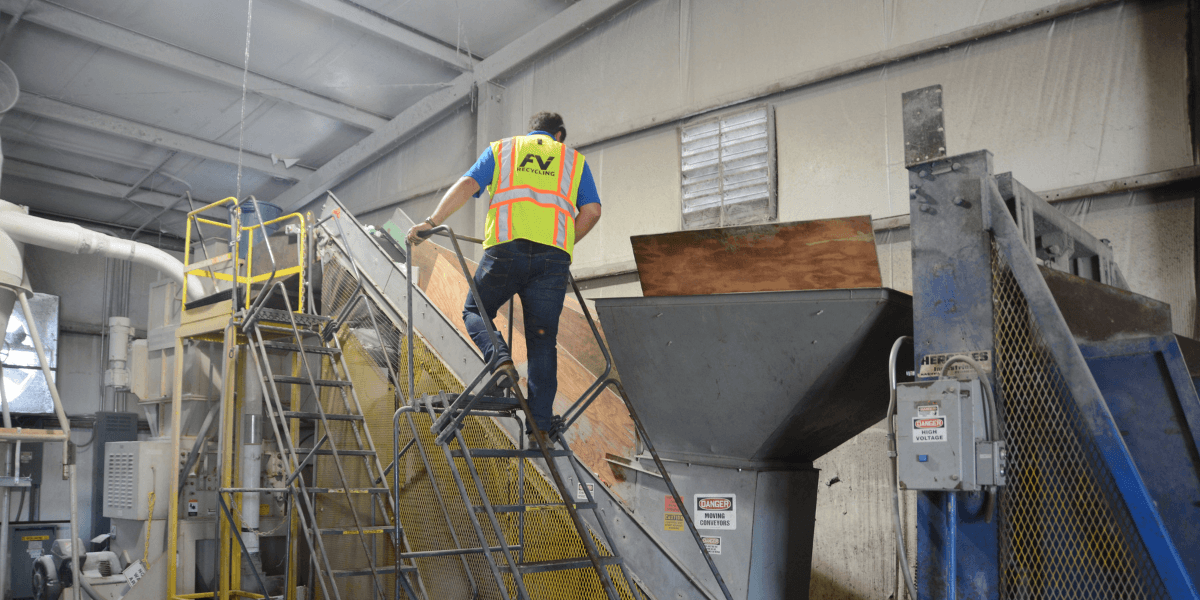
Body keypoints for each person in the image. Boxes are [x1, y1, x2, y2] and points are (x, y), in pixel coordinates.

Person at [407, 112, 602, 446]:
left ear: (532, 130)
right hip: (551, 260)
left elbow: (468, 185)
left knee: (475, 309)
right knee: (543, 340)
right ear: (559, 134)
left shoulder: (504, 150)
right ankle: (540, 428)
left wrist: (431, 222)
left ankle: (499, 357)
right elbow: (593, 211)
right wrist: (563, 245)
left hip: (506, 250)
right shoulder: (573, 159)